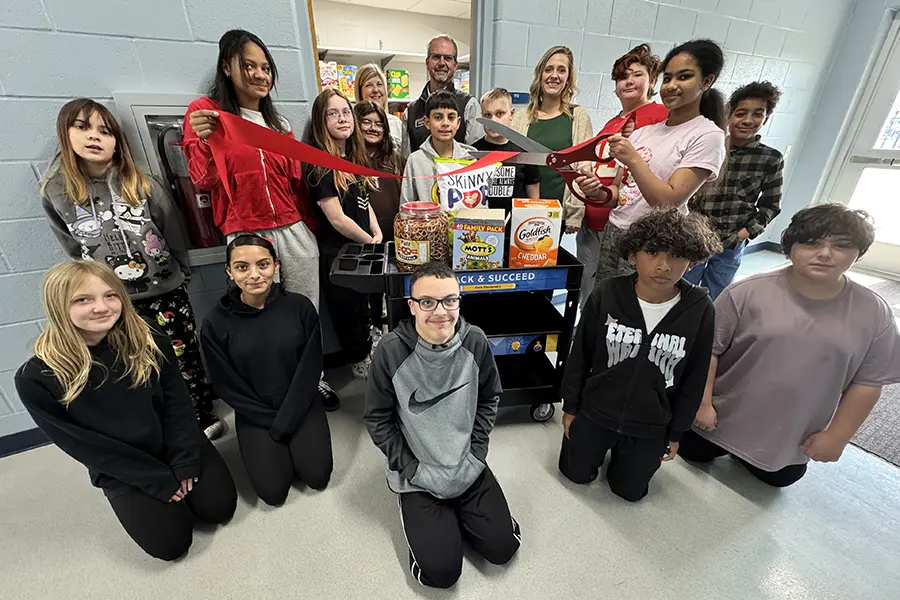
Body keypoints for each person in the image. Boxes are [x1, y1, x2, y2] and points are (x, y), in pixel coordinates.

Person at [15, 261, 237, 561]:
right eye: (83, 299)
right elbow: (83, 446)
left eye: (110, 295)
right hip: (124, 467)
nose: (101, 307)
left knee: (219, 509)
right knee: (172, 546)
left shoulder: (149, 338)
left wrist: (184, 461)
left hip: (175, 444)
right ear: (58, 306)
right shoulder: (36, 377)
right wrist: (156, 480)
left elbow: (178, 403)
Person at [40, 98, 223, 440]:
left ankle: (199, 410)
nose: (94, 137)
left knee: (183, 356)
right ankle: (159, 421)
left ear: (117, 141)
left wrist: (179, 270)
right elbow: (68, 243)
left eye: (104, 131)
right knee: (132, 363)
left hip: (165, 291)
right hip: (112, 300)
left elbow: (172, 229)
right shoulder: (57, 192)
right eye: (82, 127)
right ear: (66, 136)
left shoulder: (143, 183)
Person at [682, 204, 900, 487]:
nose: (824, 253)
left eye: (840, 246)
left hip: (789, 438)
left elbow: (868, 383)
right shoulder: (746, 292)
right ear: (790, 245)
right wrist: (703, 404)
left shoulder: (874, 312)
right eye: (812, 243)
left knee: (779, 479)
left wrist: (837, 437)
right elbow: (707, 352)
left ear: (859, 252)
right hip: (717, 420)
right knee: (692, 453)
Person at [182, 29, 339, 407]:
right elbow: (203, 179)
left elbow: (295, 184)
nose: (258, 74)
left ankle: (311, 379)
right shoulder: (207, 114)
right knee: (257, 314)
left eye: (265, 67)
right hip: (246, 231)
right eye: (248, 65)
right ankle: (275, 388)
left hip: (293, 229)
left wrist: (311, 230)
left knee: (304, 311)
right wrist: (204, 140)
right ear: (226, 67)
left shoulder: (279, 123)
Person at [364, 261, 520, 588]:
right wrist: (410, 467)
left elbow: (491, 397)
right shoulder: (390, 351)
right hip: (419, 474)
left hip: (467, 464)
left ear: (459, 301)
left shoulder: (475, 341)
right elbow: (377, 419)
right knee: (442, 574)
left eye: (450, 300)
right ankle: (433, 531)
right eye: (427, 302)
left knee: (504, 549)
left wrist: (477, 452)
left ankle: (472, 518)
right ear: (412, 306)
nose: (441, 311)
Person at [559, 208, 721, 501]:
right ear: (632, 256)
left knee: (630, 492)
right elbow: (579, 354)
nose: (664, 266)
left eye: (676, 256)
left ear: (692, 260)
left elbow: (695, 376)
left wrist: (676, 432)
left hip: (651, 423)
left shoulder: (700, 309)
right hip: (596, 410)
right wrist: (571, 407)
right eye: (652, 253)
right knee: (575, 475)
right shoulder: (607, 293)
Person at [200, 235, 333, 505]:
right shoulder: (215, 322)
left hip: (300, 403)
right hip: (254, 410)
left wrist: (288, 418)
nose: (254, 275)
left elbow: (310, 368)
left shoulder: (299, 307)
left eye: (262, 265)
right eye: (242, 267)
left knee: (317, 476)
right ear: (229, 271)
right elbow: (226, 384)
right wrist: (269, 420)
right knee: (273, 492)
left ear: (276, 265)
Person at [586, 39, 728, 284]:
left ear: (707, 81)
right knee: (605, 300)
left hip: (653, 244)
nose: (672, 86)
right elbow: (619, 193)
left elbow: (668, 201)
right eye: (668, 78)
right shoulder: (644, 133)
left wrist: (632, 158)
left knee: (634, 312)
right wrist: (597, 192)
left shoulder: (707, 135)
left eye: (684, 77)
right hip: (615, 231)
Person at [574, 44, 669, 305]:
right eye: (622, 77)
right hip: (593, 219)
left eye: (636, 74)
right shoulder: (612, 122)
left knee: (619, 297)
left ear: (652, 81)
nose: (628, 81)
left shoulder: (661, 117)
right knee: (590, 291)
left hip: (626, 225)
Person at [304, 89, 380, 380]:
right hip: (339, 254)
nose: (342, 118)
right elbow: (336, 218)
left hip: (361, 247)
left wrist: (375, 230)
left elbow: (364, 202)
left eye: (346, 112)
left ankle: (368, 350)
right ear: (320, 122)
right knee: (347, 312)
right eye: (332, 113)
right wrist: (367, 238)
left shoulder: (353, 159)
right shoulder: (321, 165)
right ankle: (359, 361)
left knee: (364, 307)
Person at [685, 81, 785, 298]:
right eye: (741, 113)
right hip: (693, 235)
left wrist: (743, 234)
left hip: (730, 241)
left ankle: (708, 330)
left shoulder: (770, 159)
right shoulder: (710, 146)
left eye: (757, 114)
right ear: (728, 114)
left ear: (766, 118)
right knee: (682, 289)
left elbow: (770, 205)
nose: (748, 120)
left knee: (717, 294)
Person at [511, 45, 594, 232]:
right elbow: (512, 165)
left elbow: (583, 167)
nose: (554, 75)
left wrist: (575, 213)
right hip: (522, 212)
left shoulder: (577, 116)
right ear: (540, 75)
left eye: (561, 70)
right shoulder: (521, 117)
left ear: (568, 78)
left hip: (558, 212)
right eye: (549, 69)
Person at [354, 100, 406, 336]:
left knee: (394, 290)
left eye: (379, 124)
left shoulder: (394, 160)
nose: (373, 128)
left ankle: (396, 331)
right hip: (365, 238)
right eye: (366, 122)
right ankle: (373, 333)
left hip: (394, 237)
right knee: (369, 292)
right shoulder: (350, 160)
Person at [402, 34, 483, 155]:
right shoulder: (411, 111)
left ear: (455, 65)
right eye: (436, 57)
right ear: (427, 63)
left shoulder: (469, 105)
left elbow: (475, 157)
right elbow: (406, 159)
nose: (441, 63)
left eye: (448, 58)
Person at [401, 90, 477, 204]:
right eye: (438, 117)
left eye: (451, 117)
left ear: (458, 122)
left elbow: (477, 201)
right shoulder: (415, 161)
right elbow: (406, 205)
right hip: (427, 221)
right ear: (427, 122)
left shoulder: (470, 158)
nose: (445, 123)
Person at [474, 87, 540, 215]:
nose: (493, 121)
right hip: (483, 226)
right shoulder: (474, 151)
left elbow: (534, 194)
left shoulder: (526, 151)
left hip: (516, 227)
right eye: (488, 115)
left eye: (499, 114)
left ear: (511, 114)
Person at [354, 63, 403, 149]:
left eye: (379, 84)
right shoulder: (353, 124)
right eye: (369, 85)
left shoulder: (396, 122)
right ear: (360, 91)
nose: (376, 90)